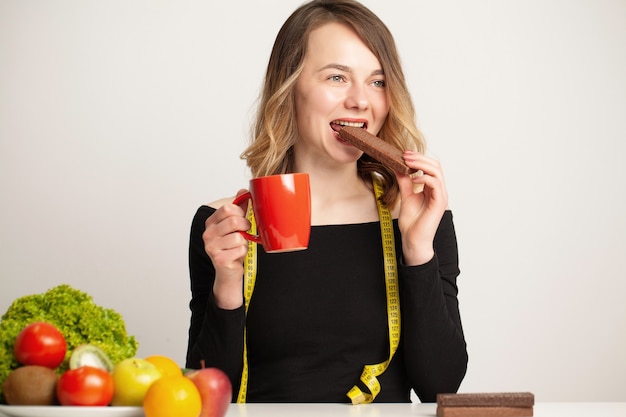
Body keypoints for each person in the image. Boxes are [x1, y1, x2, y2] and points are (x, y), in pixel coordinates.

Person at [186, 0, 467, 403]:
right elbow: (206, 394)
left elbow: (440, 385)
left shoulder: (417, 216)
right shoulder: (225, 225)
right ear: (289, 87)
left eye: (377, 81)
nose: (361, 101)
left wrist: (418, 251)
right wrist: (227, 287)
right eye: (337, 77)